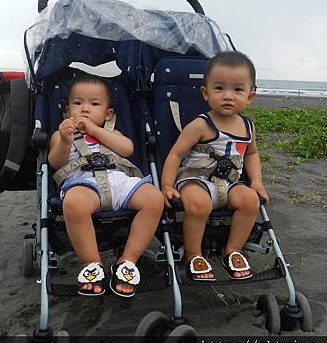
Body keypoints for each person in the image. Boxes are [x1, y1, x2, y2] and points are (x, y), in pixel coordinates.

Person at [48, 75, 164, 297]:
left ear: (108, 113)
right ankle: (92, 264)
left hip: (119, 180)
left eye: (94, 104)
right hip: (83, 182)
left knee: (154, 199)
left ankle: (127, 261)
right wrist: (64, 140)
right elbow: (55, 163)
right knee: (73, 204)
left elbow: (128, 149)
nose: (85, 109)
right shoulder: (61, 135)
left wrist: (95, 130)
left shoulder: (112, 133)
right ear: (66, 111)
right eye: (77, 103)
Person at [161, 51, 270, 282]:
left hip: (230, 183)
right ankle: (194, 254)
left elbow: (251, 154)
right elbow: (175, 154)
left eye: (237, 90)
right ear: (206, 93)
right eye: (219, 88)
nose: (228, 96)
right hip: (196, 180)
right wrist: (167, 184)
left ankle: (232, 249)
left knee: (250, 201)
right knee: (198, 204)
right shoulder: (201, 124)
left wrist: (257, 182)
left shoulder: (248, 127)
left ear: (250, 96)